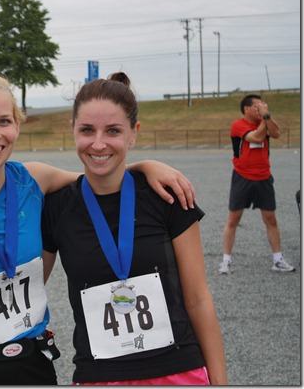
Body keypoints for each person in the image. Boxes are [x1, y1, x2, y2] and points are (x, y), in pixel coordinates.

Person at [0, 73, 198, 385]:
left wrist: (145, 166)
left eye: (4, 121)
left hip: (30, 363)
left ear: (17, 126)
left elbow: (98, 174)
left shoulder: (34, 180)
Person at [41, 73, 227, 385]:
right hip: (99, 375)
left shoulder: (168, 196)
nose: (98, 143)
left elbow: (198, 299)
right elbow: (30, 289)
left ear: (134, 133)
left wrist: (220, 381)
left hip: (177, 370)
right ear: (72, 129)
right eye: (87, 130)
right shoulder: (57, 208)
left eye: (113, 130)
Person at [219, 94, 294, 274]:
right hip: (242, 177)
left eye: (262, 105)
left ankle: (277, 259)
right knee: (233, 219)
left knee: (270, 219)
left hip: (264, 177)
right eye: (257, 106)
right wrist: (265, 119)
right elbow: (255, 138)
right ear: (247, 109)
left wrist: (266, 117)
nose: (261, 108)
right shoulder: (238, 125)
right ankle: (226, 261)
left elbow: (276, 133)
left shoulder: (265, 121)